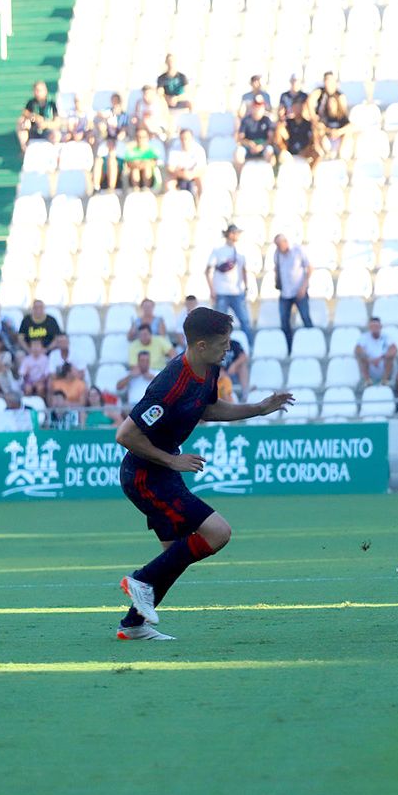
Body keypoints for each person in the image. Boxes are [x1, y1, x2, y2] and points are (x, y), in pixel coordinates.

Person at [115, 306, 293, 640]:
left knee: (175, 555)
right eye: (224, 343)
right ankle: (139, 579)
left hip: (160, 471)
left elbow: (208, 408)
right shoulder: (169, 385)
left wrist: (257, 408)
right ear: (199, 345)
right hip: (144, 475)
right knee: (218, 533)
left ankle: (133, 624)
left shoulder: (209, 370)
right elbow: (125, 434)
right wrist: (171, 461)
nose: (228, 349)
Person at [206, 224, 254, 345]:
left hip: (237, 292)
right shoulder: (218, 251)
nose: (236, 235)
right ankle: (218, 347)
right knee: (220, 323)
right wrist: (212, 290)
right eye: (234, 233)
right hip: (221, 292)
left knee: (245, 321)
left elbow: (243, 270)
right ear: (229, 234)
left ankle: (249, 346)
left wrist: (246, 286)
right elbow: (208, 271)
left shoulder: (240, 252)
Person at [271, 234, 313, 349]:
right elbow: (276, 269)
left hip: (299, 291)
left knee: (306, 318)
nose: (279, 247)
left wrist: (304, 287)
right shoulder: (277, 254)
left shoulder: (298, 250)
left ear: (285, 242)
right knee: (284, 322)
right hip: (285, 293)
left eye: (280, 244)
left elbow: (309, 268)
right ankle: (289, 347)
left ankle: (312, 343)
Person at [305, 72, 353, 159]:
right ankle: (320, 152)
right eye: (326, 80)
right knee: (317, 128)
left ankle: (339, 155)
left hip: (337, 129)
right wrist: (313, 117)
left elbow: (348, 123)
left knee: (348, 133)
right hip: (323, 127)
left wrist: (338, 132)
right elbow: (310, 100)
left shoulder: (340, 96)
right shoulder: (320, 92)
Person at [15, 80, 59, 153]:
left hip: (47, 130)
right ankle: (24, 148)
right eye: (36, 90)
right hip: (34, 129)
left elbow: (57, 121)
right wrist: (34, 117)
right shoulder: (31, 103)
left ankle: (55, 153)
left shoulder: (51, 104)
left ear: (45, 91)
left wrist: (46, 124)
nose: (38, 93)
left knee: (57, 134)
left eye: (40, 90)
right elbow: (25, 112)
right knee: (22, 122)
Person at [275, 98, 319, 167]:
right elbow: (279, 138)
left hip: (305, 152)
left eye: (299, 107)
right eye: (295, 107)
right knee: (278, 129)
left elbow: (312, 140)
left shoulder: (308, 124)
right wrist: (284, 149)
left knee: (316, 154)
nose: (298, 109)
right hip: (290, 152)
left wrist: (306, 150)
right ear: (292, 108)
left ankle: (311, 175)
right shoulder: (287, 122)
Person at [355, 317, 398, 387]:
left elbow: (394, 349)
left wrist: (382, 357)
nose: (374, 328)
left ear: (380, 327)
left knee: (390, 358)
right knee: (361, 358)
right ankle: (368, 380)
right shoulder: (364, 337)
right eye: (372, 326)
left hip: (383, 363)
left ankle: (384, 380)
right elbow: (357, 349)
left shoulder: (387, 337)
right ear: (369, 327)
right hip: (369, 364)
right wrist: (369, 359)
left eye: (376, 326)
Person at [164, 128, 206, 196]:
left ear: (192, 138)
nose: (184, 141)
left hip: (194, 176)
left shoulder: (199, 150)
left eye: (187, 138)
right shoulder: (174, 149)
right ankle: (173, 203)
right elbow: (170, 168)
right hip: (178, 175)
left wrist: (191, 174)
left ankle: (199, 203)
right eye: (182, 138)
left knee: (201, 180)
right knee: (169, 183)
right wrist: (181, 173)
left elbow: (202, 169)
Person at [234, 97, 275, 166]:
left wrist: (261, 146)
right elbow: (240, 138)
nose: (258, 109)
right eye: (256, 106)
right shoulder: (246, 120)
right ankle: (239, 176)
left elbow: (271, 139)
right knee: (238, 154)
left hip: (263, 146)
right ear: (252, 107)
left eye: (260, 106)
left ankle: (270, 175)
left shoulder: (267, 120)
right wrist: (249, 143)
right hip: (248, 147)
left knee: (270, 152)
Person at [121, 126, 161, 190]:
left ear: (147, 138)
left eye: (143, 137)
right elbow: (128, 163)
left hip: (149, 176)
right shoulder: (131, 150)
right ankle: (136, 189)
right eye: (138, 137)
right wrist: (141, 164)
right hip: (133, 175)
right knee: (135, 170)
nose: (141, 139)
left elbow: (154, 163)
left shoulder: (151, 151)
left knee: (147, 168)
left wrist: (142, 164)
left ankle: (146, 189)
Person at [221, 335, 250, 400]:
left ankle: (245, 394)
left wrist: (234, 365)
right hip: (222, 374)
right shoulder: (217, 346)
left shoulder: (235, 344)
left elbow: (244, 357)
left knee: (242, 367)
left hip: (235, 374)